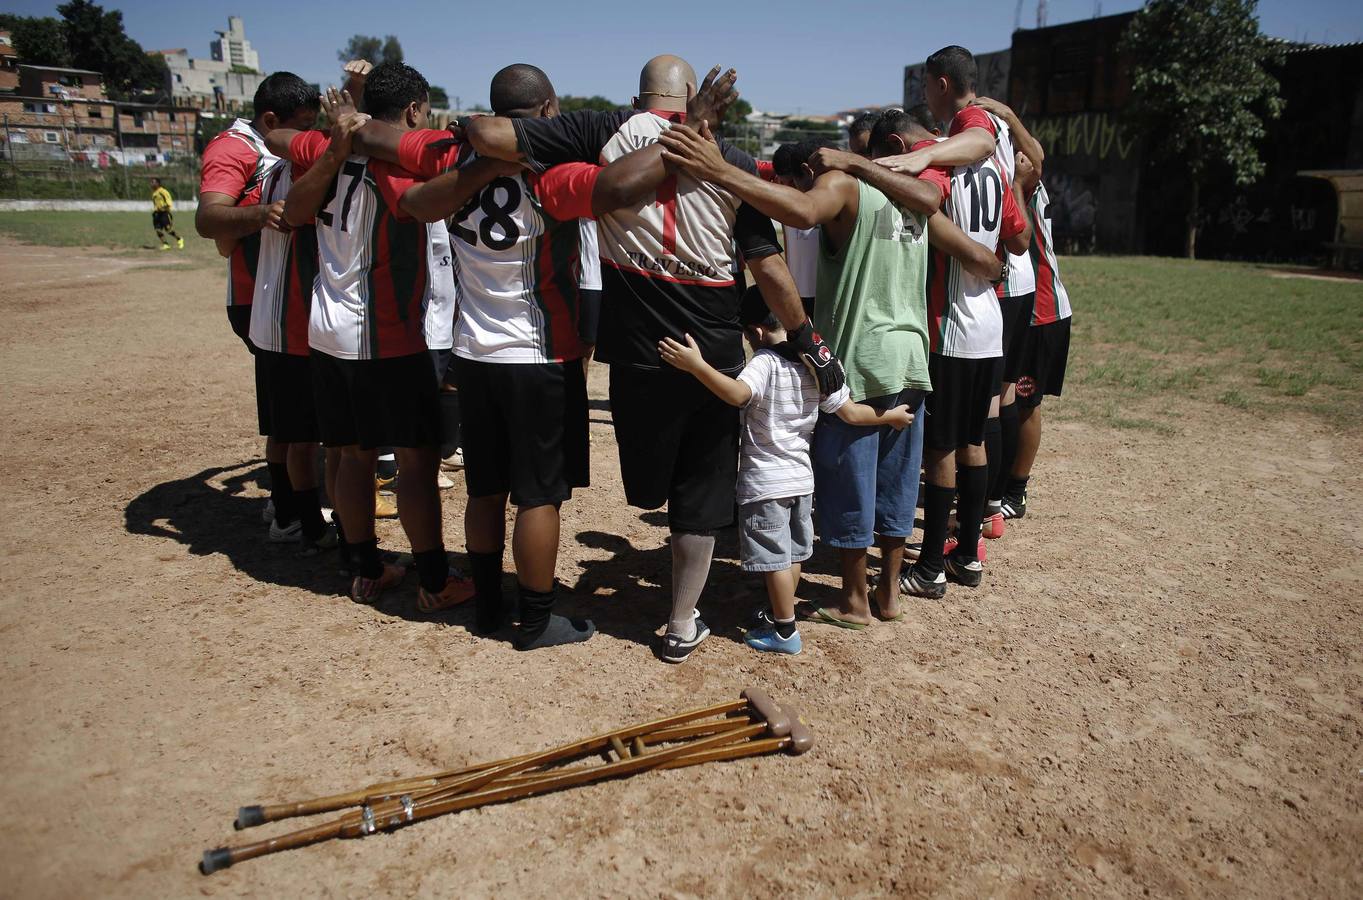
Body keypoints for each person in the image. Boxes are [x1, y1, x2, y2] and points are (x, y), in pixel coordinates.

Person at [466, 56, 846, 663]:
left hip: (639, 346)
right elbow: (768, 269)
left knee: (648, 485)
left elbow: (488, 133)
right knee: (700, 490)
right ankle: (679, 622)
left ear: (640, 94)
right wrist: (807, 340)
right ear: (694, 97)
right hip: (714, 349)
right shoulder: (729, 159)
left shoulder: (601, 130)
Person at [657, 123, 1002, 627]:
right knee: (898, 484)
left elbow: (800, 211)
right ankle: (889, 595)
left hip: (860, 355)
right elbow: (981, 257)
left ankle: (854, 601)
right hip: (912, 356)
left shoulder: (845, 186)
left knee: (849, 484)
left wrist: (718, 172)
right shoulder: (917, 202)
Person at [269, 64, 509, 610]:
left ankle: (365, 567)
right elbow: (430, 200)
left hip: (326, 331)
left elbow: (278, 142)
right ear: (416, 112)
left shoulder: (325, 148)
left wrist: (337, 131)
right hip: (386, 337)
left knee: (350, 457)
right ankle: (433, 580)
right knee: (417, 463)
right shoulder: (391, 165)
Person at [658, 286, 914, 654]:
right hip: (801, 481)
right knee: (793, 556)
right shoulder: (816, 363)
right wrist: (890, 416)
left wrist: (696, 365)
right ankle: (780, 613)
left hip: (766, 483)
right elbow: (852, 413)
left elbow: (738, 395)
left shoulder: (764, 362)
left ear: (757, 332)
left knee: (775, 559)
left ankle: (784, 631)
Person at [881, 47, 1033, 600]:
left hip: (951, 323)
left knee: (941, 448)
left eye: (927, 86)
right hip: (990, 319)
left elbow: (928, 200)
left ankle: (930, 568)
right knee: (973, 440)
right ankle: (968, 555)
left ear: (944, 85)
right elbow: (1018, 237)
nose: (924, 97)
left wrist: (909, 165)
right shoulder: (992, 163)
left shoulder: (953, 152)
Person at [195, 70, 320, 540]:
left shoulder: (270, 145)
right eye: (300, 126)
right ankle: (290, 512)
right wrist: (261, 215)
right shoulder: (235, 148)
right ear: (270, 119)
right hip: (262, 300)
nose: (304, 137)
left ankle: (283, 503)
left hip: (282, 296)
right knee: (294, 415)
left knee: (287, 412)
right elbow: (209, 218)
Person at [969, 95, 1048, 536]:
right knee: (1004, 396)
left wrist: (1011, 118)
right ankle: (995, 503)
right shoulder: (1005, 165)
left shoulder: (1002, 168)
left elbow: (1035, 162)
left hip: (1003, 287)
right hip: (1013, 287)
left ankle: (989, 504)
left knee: (993, 402)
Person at [1002, 149, 1072, 519]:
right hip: (1019, 311)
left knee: (1026, 404)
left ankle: (1016, 489)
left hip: (1042, 315)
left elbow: (1038, 158)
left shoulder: (1025, 188)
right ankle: (1000, 485)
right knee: (1005, 399)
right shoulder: (1003, 184)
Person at [770, 143, 819, 315]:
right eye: (786, 182)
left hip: (823, 292)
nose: (792, 187)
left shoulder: (822, 200)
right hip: (797, 292)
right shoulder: (783, 204)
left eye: (793, 181)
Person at [149, 178, 183, 250]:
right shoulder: (154, 193)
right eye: (151, 182)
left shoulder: (163, 191)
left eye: (153, 182)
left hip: (164, 213)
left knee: (168, 230)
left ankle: (179, 239)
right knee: (158, 230)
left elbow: (169, 202)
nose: (151, 184)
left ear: (158, 183)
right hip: (156, 214)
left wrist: (162, 208)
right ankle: (166, 244)